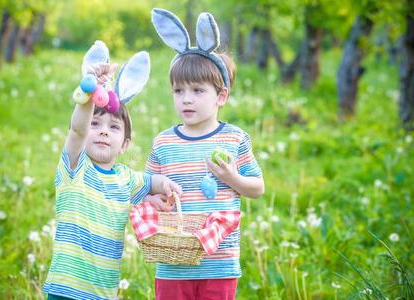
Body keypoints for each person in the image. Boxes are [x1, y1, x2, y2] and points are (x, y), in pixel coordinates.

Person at [43, 41, 181, 300]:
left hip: (104, 292)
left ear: (125, 144)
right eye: (96, 124)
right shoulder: (75, 166)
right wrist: (92, 89)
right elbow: (77, 129)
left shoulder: (126, 178)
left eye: (114, 127)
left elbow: (152, 182)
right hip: (66, 289)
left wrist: (166, 186)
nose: (104, 130)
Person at [146, 9, 265, 300]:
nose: (186, 98)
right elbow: (145, 187)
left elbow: (257, 188)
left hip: (219, 262)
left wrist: (231, 177)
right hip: (173, 263)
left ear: (221, 96)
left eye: (198, 90)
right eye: (178, 90)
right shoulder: (164, 143)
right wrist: (153, 197)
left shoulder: (234, 138)